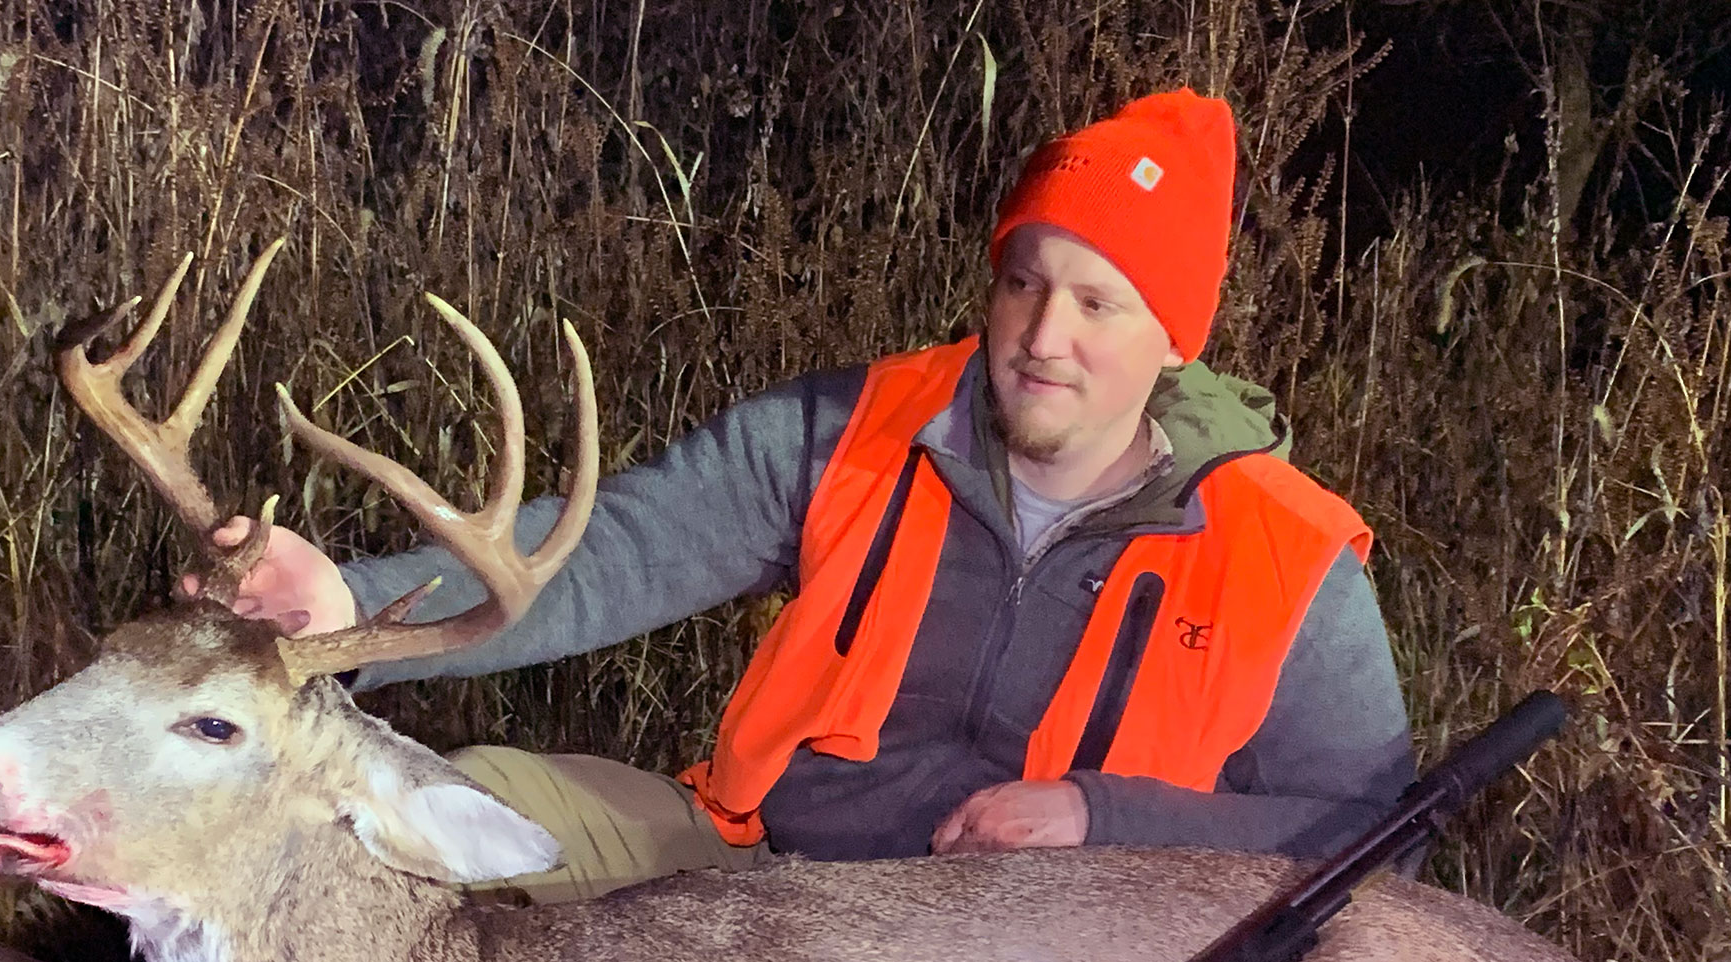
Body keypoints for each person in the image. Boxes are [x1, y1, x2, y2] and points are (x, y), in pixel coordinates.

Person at [201, 88, 1413, 901]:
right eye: (1023, 283)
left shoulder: (1286, 559)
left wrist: (1103, 818)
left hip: (1048, 953)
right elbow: (605, 554)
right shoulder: (852, 431)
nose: (1042, 336)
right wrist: (342, 606)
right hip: (756, 873)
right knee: (425, 810)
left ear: (1174, 337)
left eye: (1099, 303)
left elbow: (1365, 838)